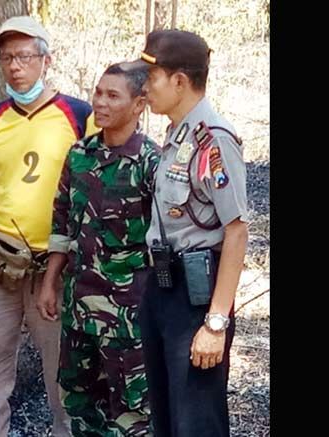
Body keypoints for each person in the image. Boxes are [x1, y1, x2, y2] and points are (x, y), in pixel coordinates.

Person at [0, 15, 97, 437]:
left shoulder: (78, 115)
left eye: (23, 56)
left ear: (46, 60)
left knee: (62, 370)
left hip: (56, 264)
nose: (15, 66)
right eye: (6, 58)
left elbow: (94, 186)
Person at [132, 29, 249, 437]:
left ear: (179, 81)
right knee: (166, 417)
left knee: (197, 422)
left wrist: (215, 324)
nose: (144, 88)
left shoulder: (213, 140)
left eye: (151, 78)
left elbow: (236, 231)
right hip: (163, 289)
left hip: (197, 297)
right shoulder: (176, 135)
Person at [38, 62, 158, 437]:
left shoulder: (151, 163)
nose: (100, 103)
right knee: (79, 405)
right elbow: (61, 224)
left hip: (127, 317)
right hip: (79, 310)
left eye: (112, 95)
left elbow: (166, 242)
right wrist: (50, 282)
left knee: (130, 415)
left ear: (139, 104)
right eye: (98, 93)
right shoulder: (79, 155)